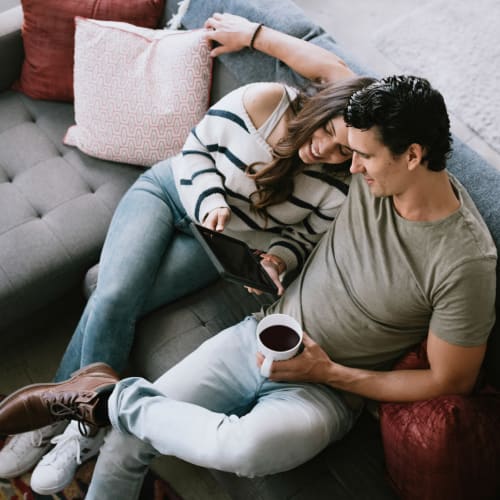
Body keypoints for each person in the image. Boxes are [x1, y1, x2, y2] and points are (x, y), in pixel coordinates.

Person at [0, 74, 496, 499]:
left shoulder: (465, 263)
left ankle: (104, 399)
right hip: (259, 336)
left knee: (241, 447)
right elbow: (334, 72)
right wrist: (255, 37)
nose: (349, 167)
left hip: (324, 392)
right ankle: (104, 407)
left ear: (413, 155)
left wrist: (329, 372)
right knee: (130, 437)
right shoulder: (375, 170)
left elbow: (451, 382)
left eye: (362, 156)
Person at [0, 12, 375, 495]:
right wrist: (210, 201)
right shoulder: (268, 102)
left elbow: (301, 238)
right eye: (327, 131)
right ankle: (71, 422)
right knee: (113, 293)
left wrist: (278, 260)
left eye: (341, 150)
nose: (323, 149)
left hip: (222, 243)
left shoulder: (338, 188)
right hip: (170, 192)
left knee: (124, 301)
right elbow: (195, 150)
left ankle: (71, 425)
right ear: (322, 107)